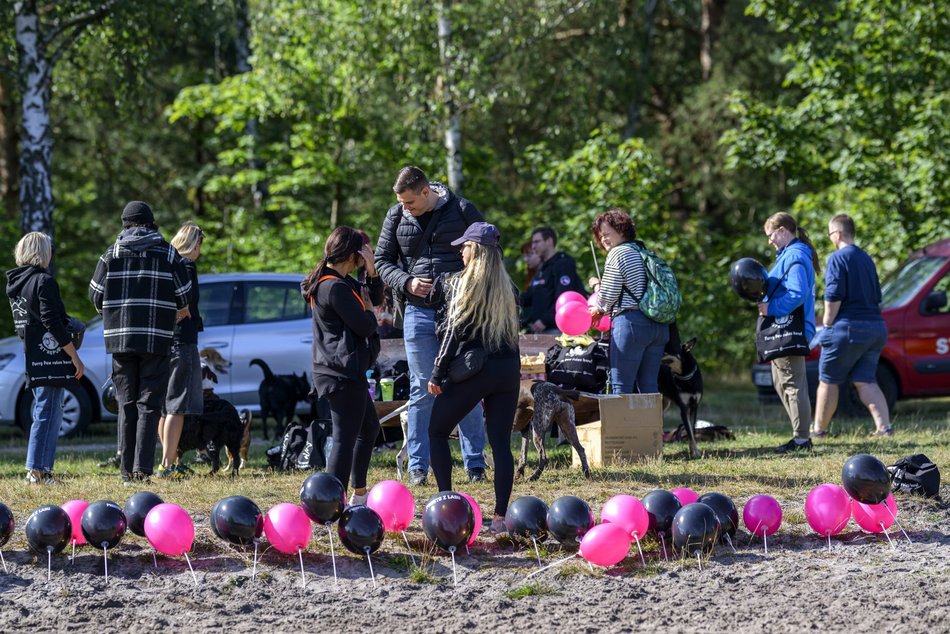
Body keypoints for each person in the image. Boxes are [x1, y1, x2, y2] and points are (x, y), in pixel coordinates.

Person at [374, 165, 487, 486]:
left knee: (466, 385)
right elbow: (382, 261)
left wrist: (464, 283)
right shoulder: (396, 216)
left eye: (409, 202)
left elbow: (489, 248)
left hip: (460, 310)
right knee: (423, 386)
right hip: (417, 311)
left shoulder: (463, 209)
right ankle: (418, 467)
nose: (404, 208)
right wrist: (407, 282)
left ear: (426, 192)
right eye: (401, 203)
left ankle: (475, 463)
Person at [427, 222, 520, 536]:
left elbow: (452, 334)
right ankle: (500, 517)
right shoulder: (510, 288)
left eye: (464, 246)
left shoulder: (462, 285)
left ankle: (447, 507)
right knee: (501, 445)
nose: (460, 251)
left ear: (475, 250)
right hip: (507, 371)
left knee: (437, 431)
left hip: (475, 369)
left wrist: (437, 373)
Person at [89, 201, 191, 483]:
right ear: (150, 222)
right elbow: (184, 294)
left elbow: (95, 294)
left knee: (127, 403)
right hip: (156, 339)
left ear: (125, 223)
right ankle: (142, 470)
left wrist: (112, 313)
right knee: (149, 404)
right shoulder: (168, 253)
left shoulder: (111, 253)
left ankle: (125, 471)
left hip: (120, 341)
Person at [302, 226, 381, 505]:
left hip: (345, 370)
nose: (365, 256)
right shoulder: (332, 287)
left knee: (369, 428)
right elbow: (364, 325)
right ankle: (329, 503)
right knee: (344, 439)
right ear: (351, 254)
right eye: (362, 253)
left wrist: (371, 272)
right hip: (340, 372)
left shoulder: (341, 281)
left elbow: (377, 299)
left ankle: (358, 495)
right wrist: (371, 314)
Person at [6, 232, 85, 484]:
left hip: (34, 354)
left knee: (45, 410)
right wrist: (74, 355)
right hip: (52, 355)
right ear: (42, 251)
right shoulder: (43, 280)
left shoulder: (18, 282)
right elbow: (51, 320)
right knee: (49, 411)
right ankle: (38, 471)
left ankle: (39, 469)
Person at [812, 214, 891, 437]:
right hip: (876, 328)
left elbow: (834, 295)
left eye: (829, 234)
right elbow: (877, 296)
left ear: (837, 233)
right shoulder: (867, 258)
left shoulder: (837, 258)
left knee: (827, 380)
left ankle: (818, 430)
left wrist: (826, 323)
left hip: (848, 328)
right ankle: (885, 428)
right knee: (865, 380)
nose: (830, 239)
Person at [757, 212, 820, 454]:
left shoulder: (794, 255)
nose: (770, 241)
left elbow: (796, 293)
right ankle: (800, 434)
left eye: (770, 235)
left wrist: (770, 308)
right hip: (785, 330)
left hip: (792, 330)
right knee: (780, 381)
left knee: (793, 384)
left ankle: (802, 439)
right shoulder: (790, 255)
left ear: (782, 230)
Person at [588, 208, 669, 394]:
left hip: (632, 325)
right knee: (649, 387)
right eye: (600, 236)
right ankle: (652, 424)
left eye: (607, 234)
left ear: (622, 230)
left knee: (621, 387)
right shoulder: (644, 252)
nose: (603, 239)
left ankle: (623, 425)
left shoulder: (618, 253)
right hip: (658, 326)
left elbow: (607, 297)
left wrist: (596, 290)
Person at [157, 223, 205, 478]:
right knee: (178, 405)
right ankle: (168, 463)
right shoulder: (186, 267)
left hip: (164, 342)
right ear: (194, 244)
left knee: (165, 405)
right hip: (182, 340)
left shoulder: (166, 264)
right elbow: (186, 303)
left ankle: (168, 458)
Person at [521, 226, 586, 334]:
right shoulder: (542, 269)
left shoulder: (562, 264)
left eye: (536, 242)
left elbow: (565, 298)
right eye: (532, 243)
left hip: (557, 329)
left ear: (549, 241)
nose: (533, 246)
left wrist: (545, 321)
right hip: (540, 331)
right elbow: (528, 298)